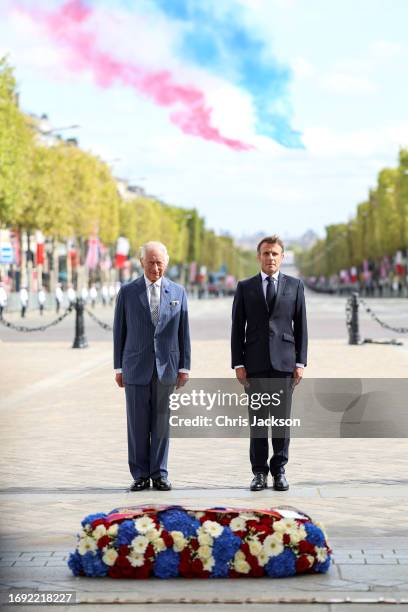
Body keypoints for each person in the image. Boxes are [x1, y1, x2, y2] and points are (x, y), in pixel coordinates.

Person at [231, 235, 307, 492]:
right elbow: (236, 328)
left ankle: (280, 470)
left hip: (285, 364)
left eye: (275, 254)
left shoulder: (295, 286)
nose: (270, 258)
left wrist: (301, 362)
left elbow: (302, 328)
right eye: (266, 253)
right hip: (254, 364)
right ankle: (259, 472)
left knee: (282, 421)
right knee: (259, 421)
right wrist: (238, 363)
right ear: (259, 256)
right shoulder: (245, 287)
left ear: (282, 257)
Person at [113, 241, 191, 492]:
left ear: (166, 263)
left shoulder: (178, 292)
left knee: (161, 423)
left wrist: (185, 367)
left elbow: (183, 333)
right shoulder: (127, 292)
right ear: (141, 263)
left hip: (167, 367)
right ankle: (139, 474)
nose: (155, 267)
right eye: (151, 262)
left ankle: (160, 473)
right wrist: (118, 368)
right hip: (135, 367)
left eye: (160, 262)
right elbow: (119, 331)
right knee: (136, 424)